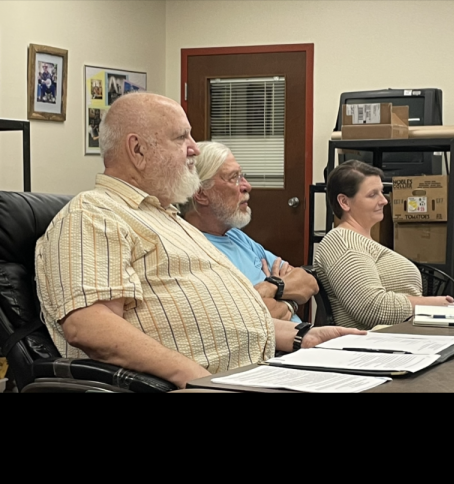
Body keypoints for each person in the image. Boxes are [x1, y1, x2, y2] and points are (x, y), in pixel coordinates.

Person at [35, 92, 363, 390]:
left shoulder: (168, 219)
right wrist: (196, 380)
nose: (194, 147)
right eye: (181, 137)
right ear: (137, 150)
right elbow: (90, 327)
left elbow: (230, 317)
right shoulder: (95, 213)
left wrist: (302, 337)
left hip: (259, 372)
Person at [181, 141, 318, 322]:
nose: (247, 186)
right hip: (278, 349)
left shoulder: (235, 235)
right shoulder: (191, 248)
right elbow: (247, 317)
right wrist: (291, 302)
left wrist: (272, 287)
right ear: (201, 194)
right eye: (233, 178)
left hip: (303, 342)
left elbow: (308, 282)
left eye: (242, 176)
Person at [314, 160, 454, 330]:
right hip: (375, 345)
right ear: (344, 202)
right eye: (372, 194)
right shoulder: (342, 243)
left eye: (382, 192)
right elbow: (370, 308)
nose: (384, 201)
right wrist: (430, 304)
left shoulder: (360, 241)